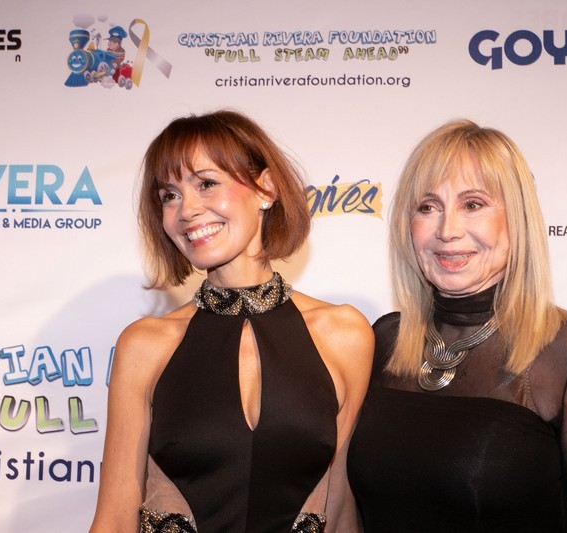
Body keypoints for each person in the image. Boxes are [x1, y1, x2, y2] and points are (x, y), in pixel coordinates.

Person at [90, 110, 373, 533]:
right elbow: (114, 518)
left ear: (266, 189)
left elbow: (339, 508)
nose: (186, 210)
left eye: (206, 183)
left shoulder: (345, 334)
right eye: (169, 195)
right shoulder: (146, 344)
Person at [347, 119, 567, 532]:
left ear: (516, 219)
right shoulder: (384, 339)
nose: (447, 230)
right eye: (428, 207)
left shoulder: (563, 351)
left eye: (473, 204)